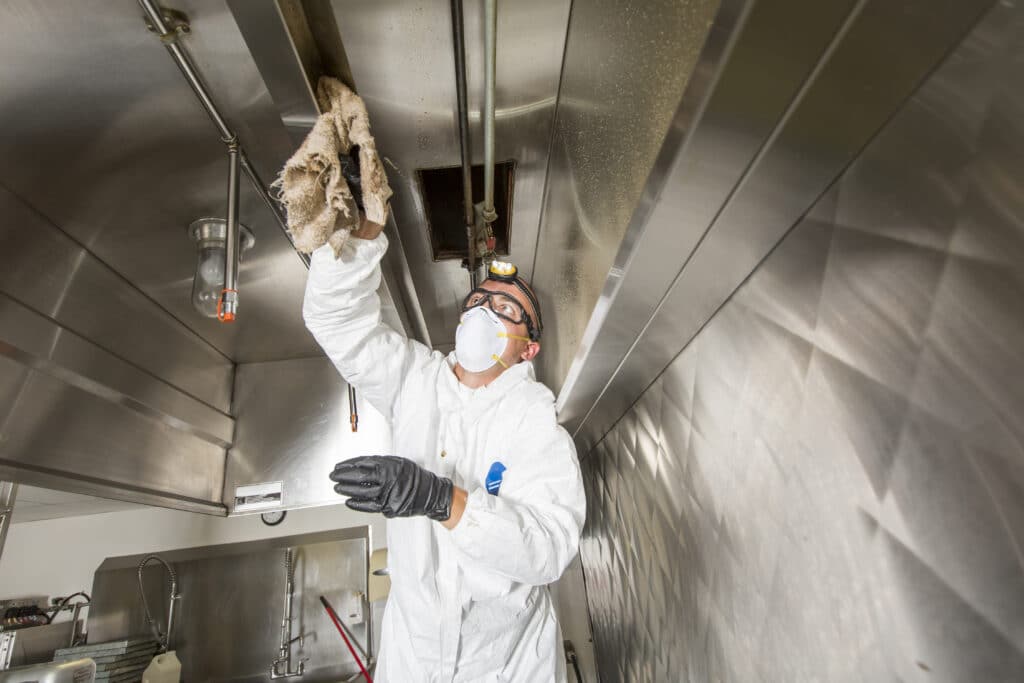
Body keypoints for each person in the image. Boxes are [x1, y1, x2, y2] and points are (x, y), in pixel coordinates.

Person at [303, 215, 586, 682]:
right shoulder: (415, 381)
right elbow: (335, 322)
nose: (485, 312)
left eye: (505, 308)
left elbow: (548, 549)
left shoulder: (537, 430)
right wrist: (359, 233)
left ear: (528, 349)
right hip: (412, 659)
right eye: (478, 301)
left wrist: (442, 500)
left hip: (506, 663)